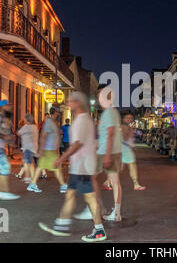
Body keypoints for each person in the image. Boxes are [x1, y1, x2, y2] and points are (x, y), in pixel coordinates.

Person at [39, 91, 106, 241]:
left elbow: (77, 144)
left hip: (82, 166)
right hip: (79, 165)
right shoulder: (82, 119)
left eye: (71, 101)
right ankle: (62, 224)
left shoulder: (82, 120)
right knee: (70, 195)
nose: (68, 103)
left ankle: (99, 230)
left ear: (78, 103)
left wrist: (62, 158)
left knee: (89, 198)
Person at [73, 85, 122, 222]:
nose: (99, 98)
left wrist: (106, 155)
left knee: (92, 178)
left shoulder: (109, 113)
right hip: (110, 151)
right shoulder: (111, 112)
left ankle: (96, 209)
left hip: (107, 152)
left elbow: (111, 134)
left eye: (100, 95)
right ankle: (113, 212)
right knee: (113, 181)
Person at [27, 105, 67, 193]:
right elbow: (43, 136)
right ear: (55, 112)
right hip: (48, 150)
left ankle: (32, 184)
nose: (59, 113)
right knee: (56, 167)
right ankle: (63, 185)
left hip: (50, 149)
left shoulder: (53, 122)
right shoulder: (49, 122)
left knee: (41, 166)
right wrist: (40, 150)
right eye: (58, 112)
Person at [103, 112, 146, 191]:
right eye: (127, 118)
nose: (129, 119)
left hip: (122, 148)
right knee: (131, 166)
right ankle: (136, 184)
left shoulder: (122, 126)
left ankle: (107, 182)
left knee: (119, 168)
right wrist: (130, 131)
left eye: (130, 118)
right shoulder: (124, 127)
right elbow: (126, 138)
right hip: (125, 149)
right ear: (123, 119)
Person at [17, 114, 38, 183]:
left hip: (28, 148)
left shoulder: (26, 127)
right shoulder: (35, 127)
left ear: (27, 120)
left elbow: (18, 133)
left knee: (26, 162)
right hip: (34, 147)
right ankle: (32, 177)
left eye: (25, 119)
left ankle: (28, 177)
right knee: (31, 163)